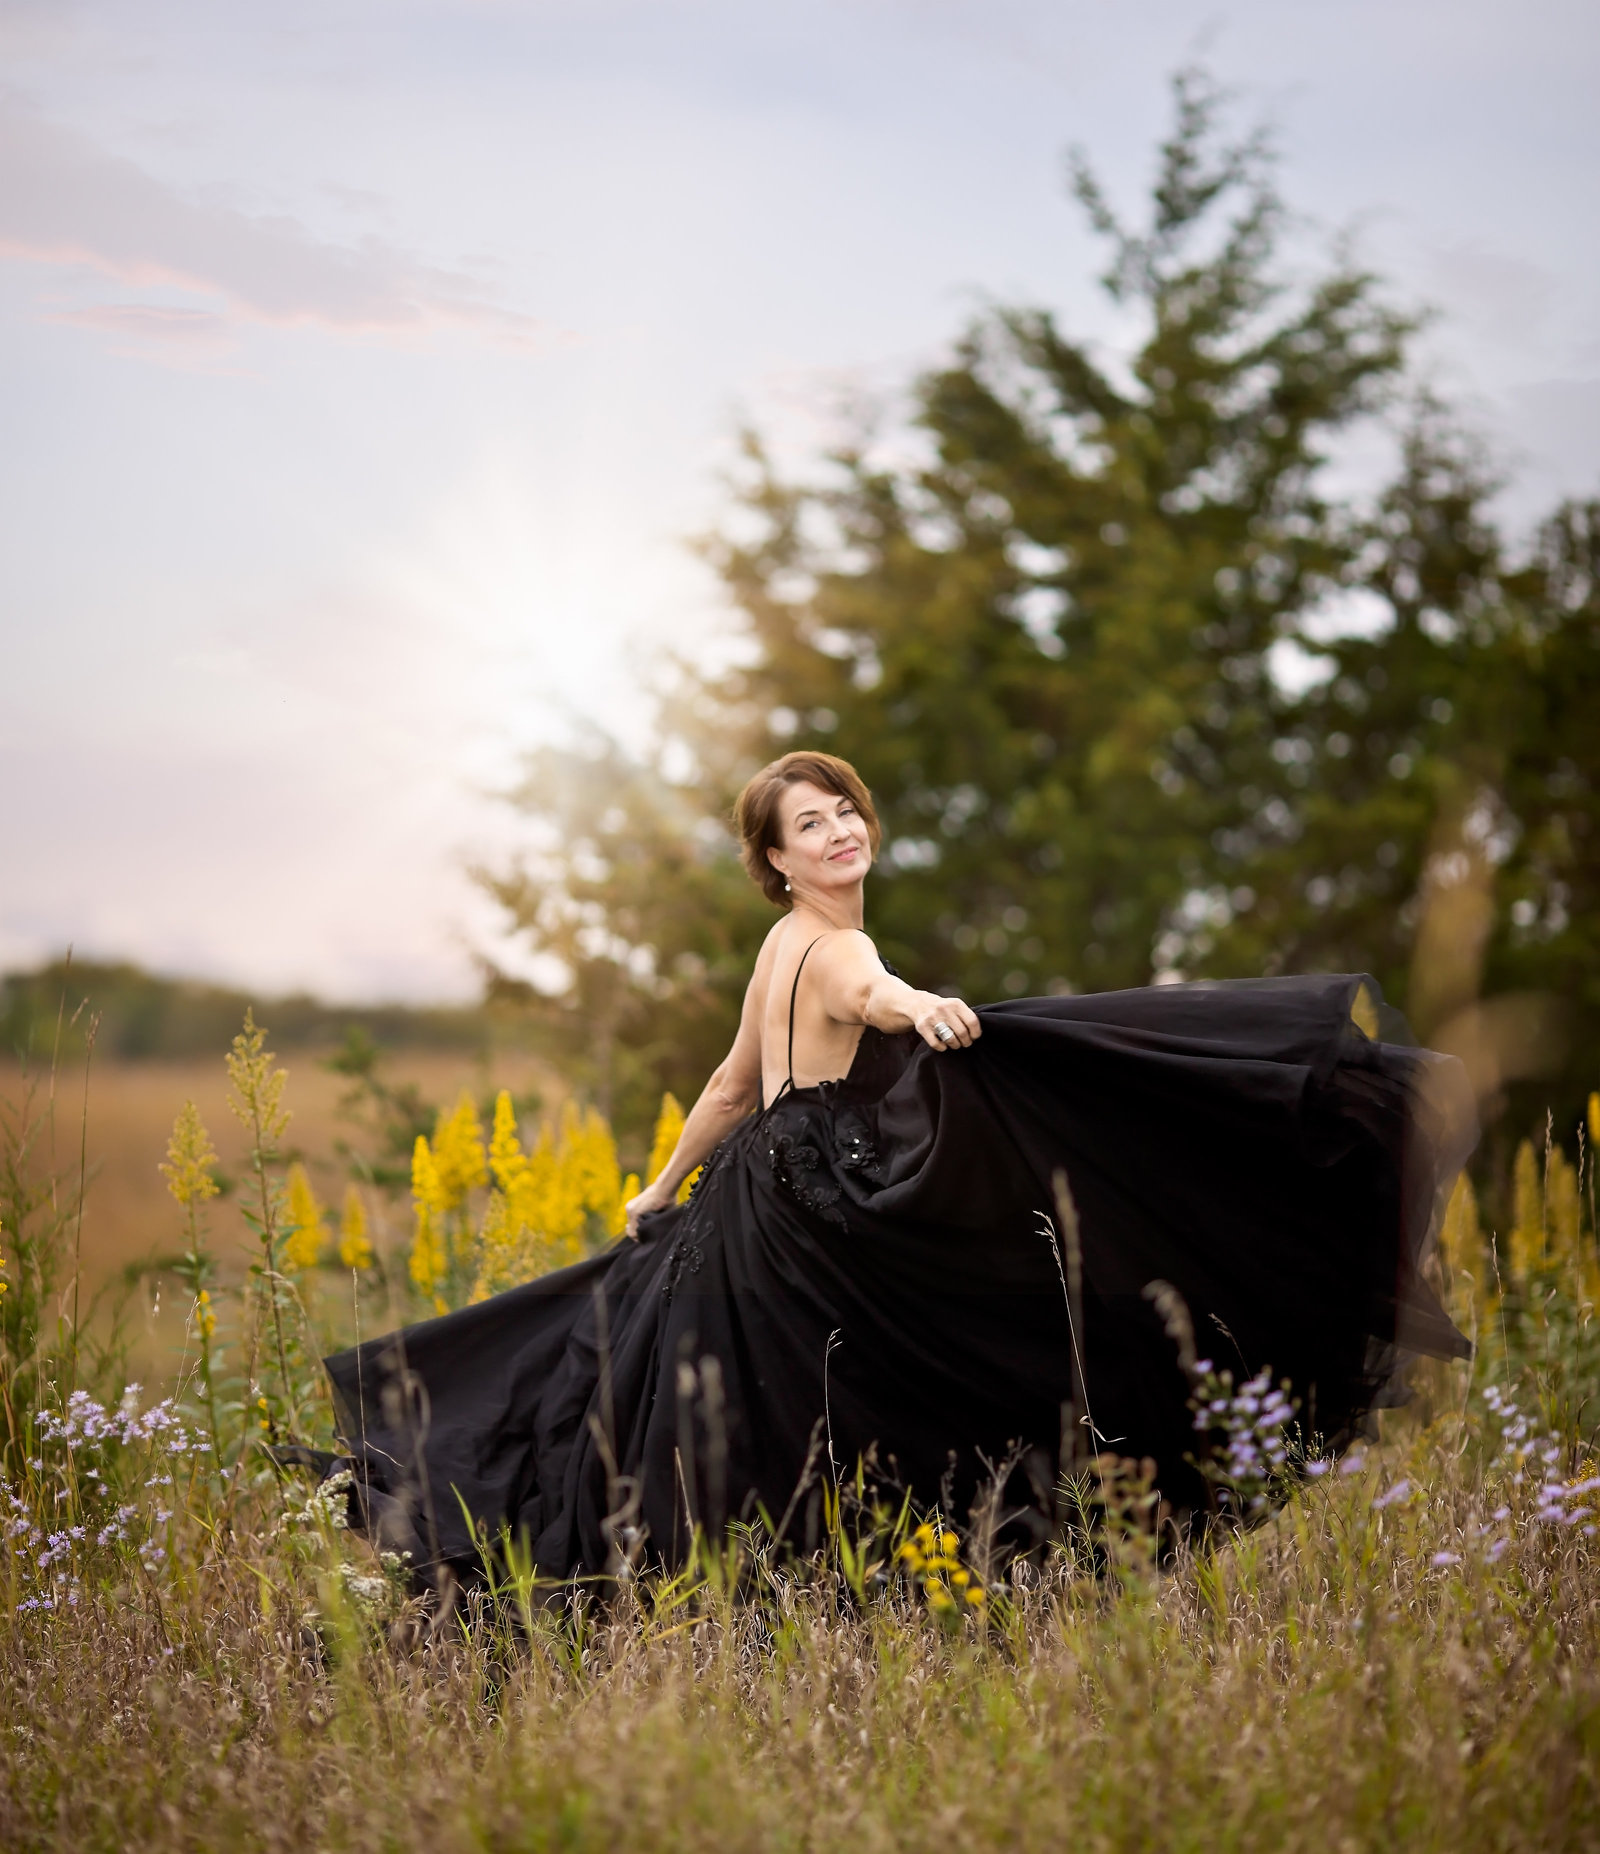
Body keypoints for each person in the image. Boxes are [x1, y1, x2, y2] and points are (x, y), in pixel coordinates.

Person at [323, 749, 1473, 1584]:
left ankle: (721, 1590)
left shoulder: (779, 944)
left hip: (746, 1201)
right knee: (931, 1365)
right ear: (775, 862)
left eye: (842, 813)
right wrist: (921, 1008)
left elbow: (732, 1090)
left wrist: (663, 1189)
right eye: (808, 828)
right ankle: (874, 1571)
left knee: (705, 1402)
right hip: (806, 1210)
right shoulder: (833, 943)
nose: (836, 834)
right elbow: (863, 999)